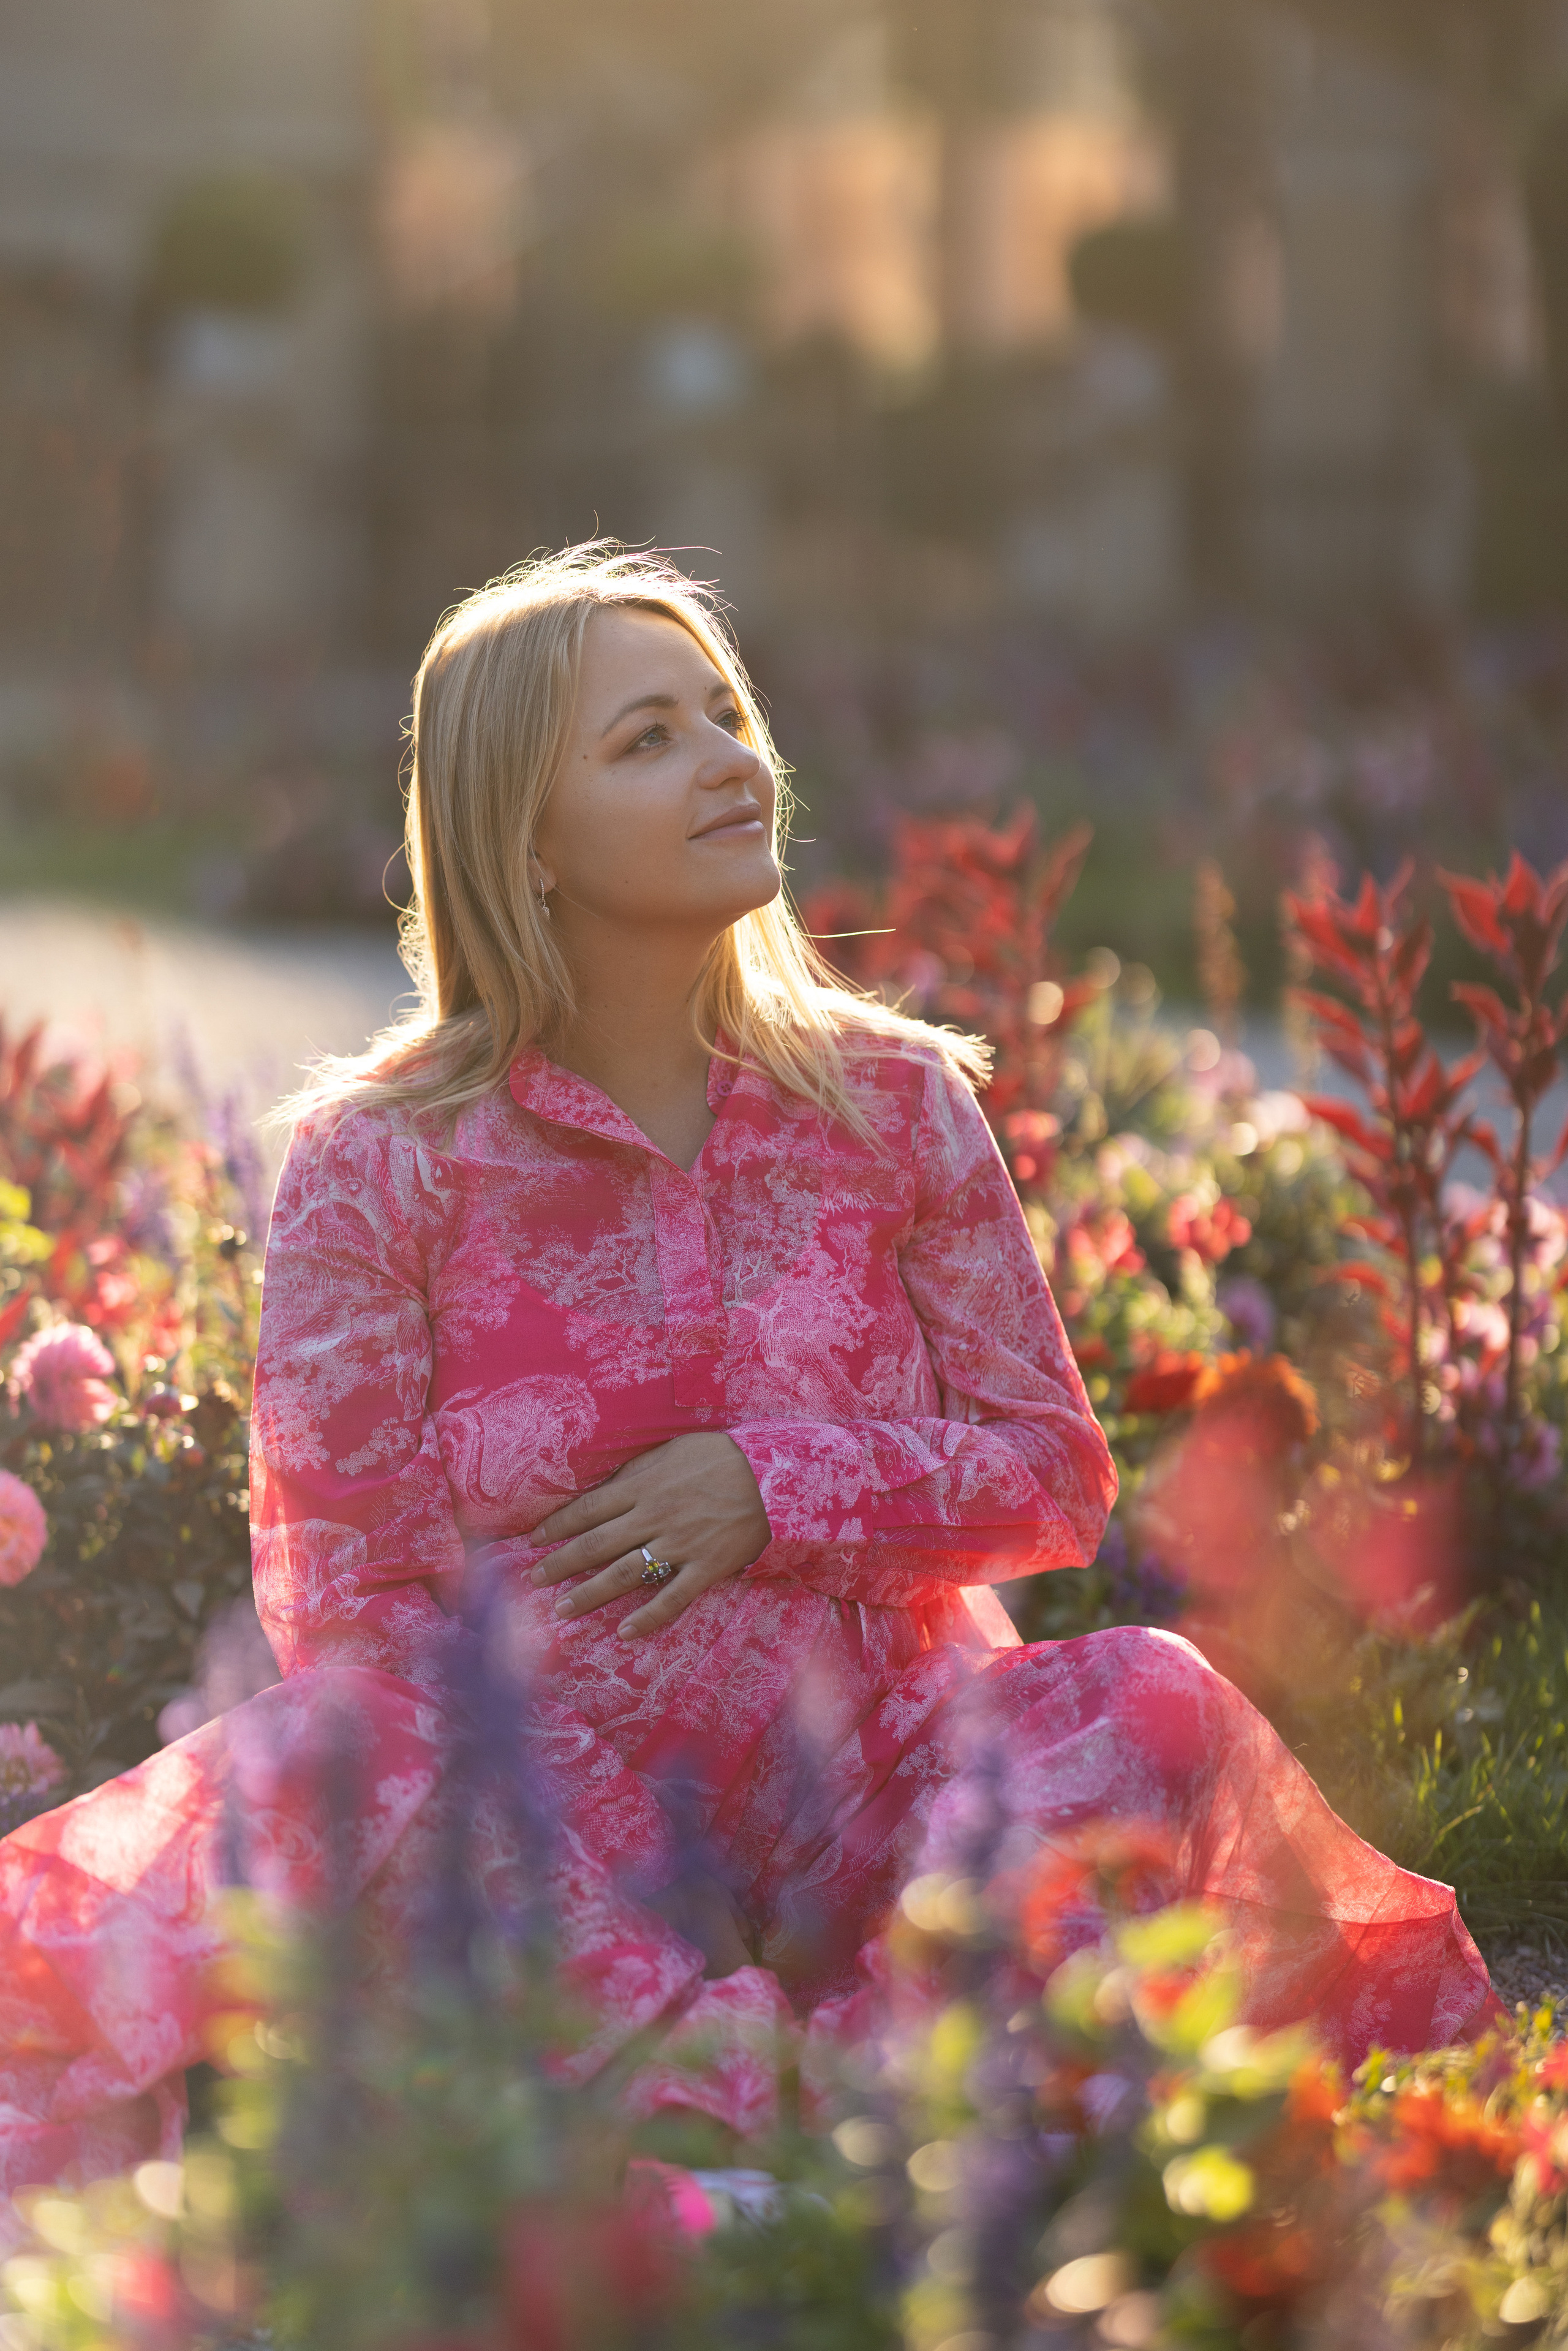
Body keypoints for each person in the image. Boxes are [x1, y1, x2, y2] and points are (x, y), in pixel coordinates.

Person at [0, 545, 1494, 2200]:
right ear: (525, 838)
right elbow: (351, 1600)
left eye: (725, 715)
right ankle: (742, 2111)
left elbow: (1055, 1477)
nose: (727, 760)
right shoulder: (380, 1158)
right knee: (339, 1752)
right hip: (540, 1851)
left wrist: (769, 1487)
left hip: (890, 1808)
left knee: (1149, 1700)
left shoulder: (898, 1102)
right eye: (647, 740)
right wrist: (609, 1871)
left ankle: (817, 2107)